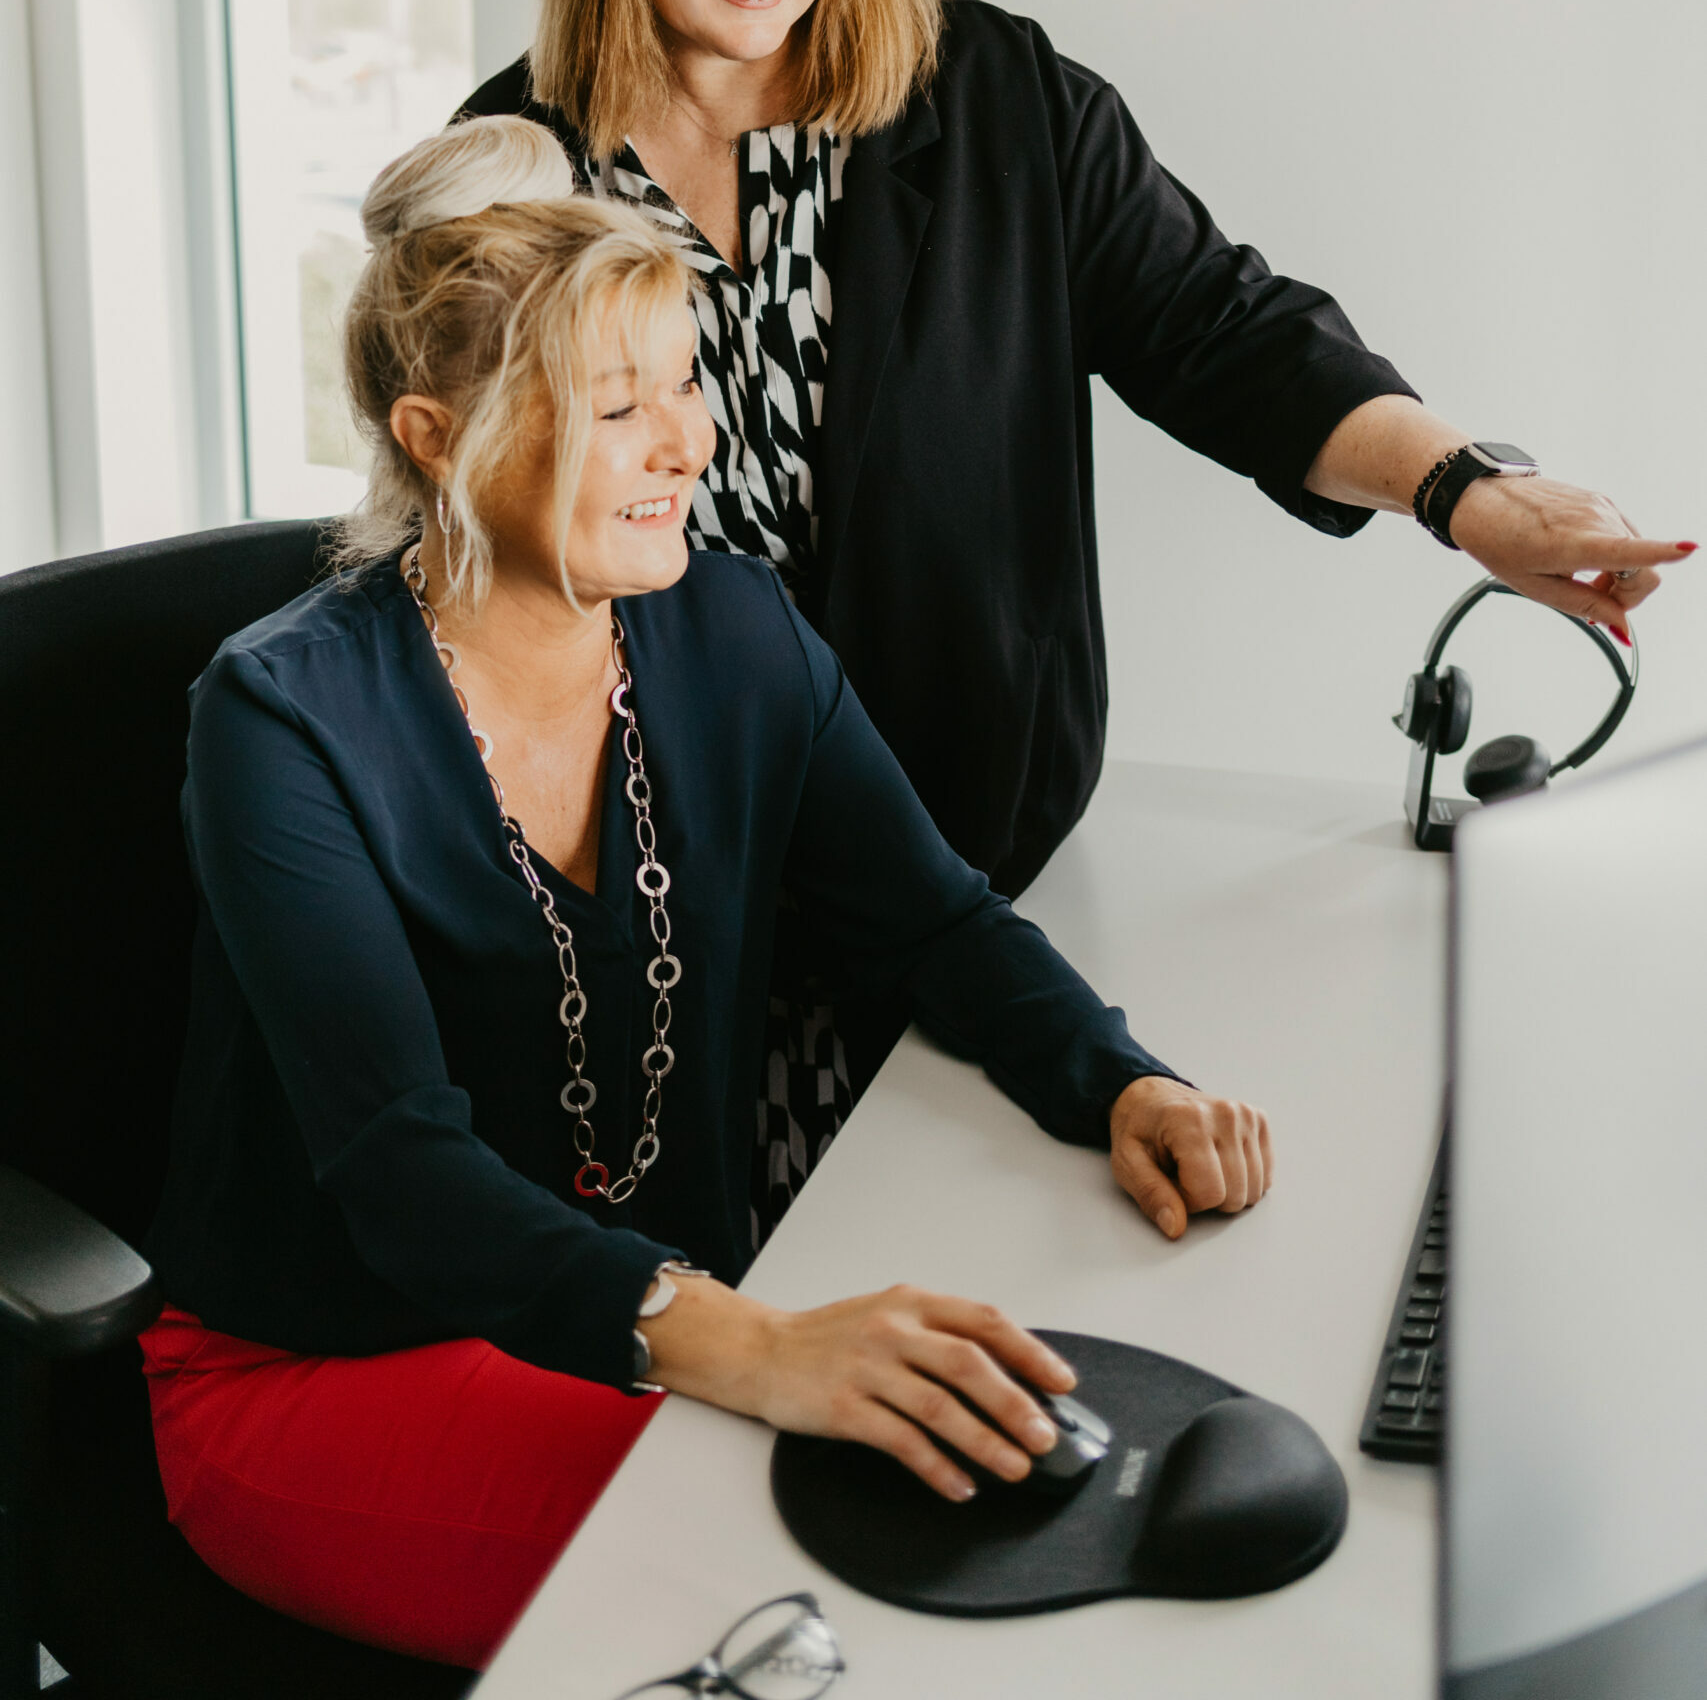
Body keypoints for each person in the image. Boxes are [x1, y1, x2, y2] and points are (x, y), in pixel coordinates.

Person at [459, 0, 1694, 1213]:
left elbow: (1225, 330)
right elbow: (465, 560)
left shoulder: (993, 99)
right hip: (648, 920)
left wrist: (1463, 492)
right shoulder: (505, 175)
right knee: (710, 1369)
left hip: (972, 868)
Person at [141, 116, 1272, 1671]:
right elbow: (400, 1168)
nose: (692, 441)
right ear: (436, 435)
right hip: (326, 1366)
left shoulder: (729, 625)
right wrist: (758, 1348)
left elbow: (932, 918)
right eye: (621, 406)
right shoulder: (281, 719)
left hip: (636, 1332)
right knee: (825, 1569)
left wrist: (1118, 1076)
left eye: (686, 379)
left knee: (950, 1493)